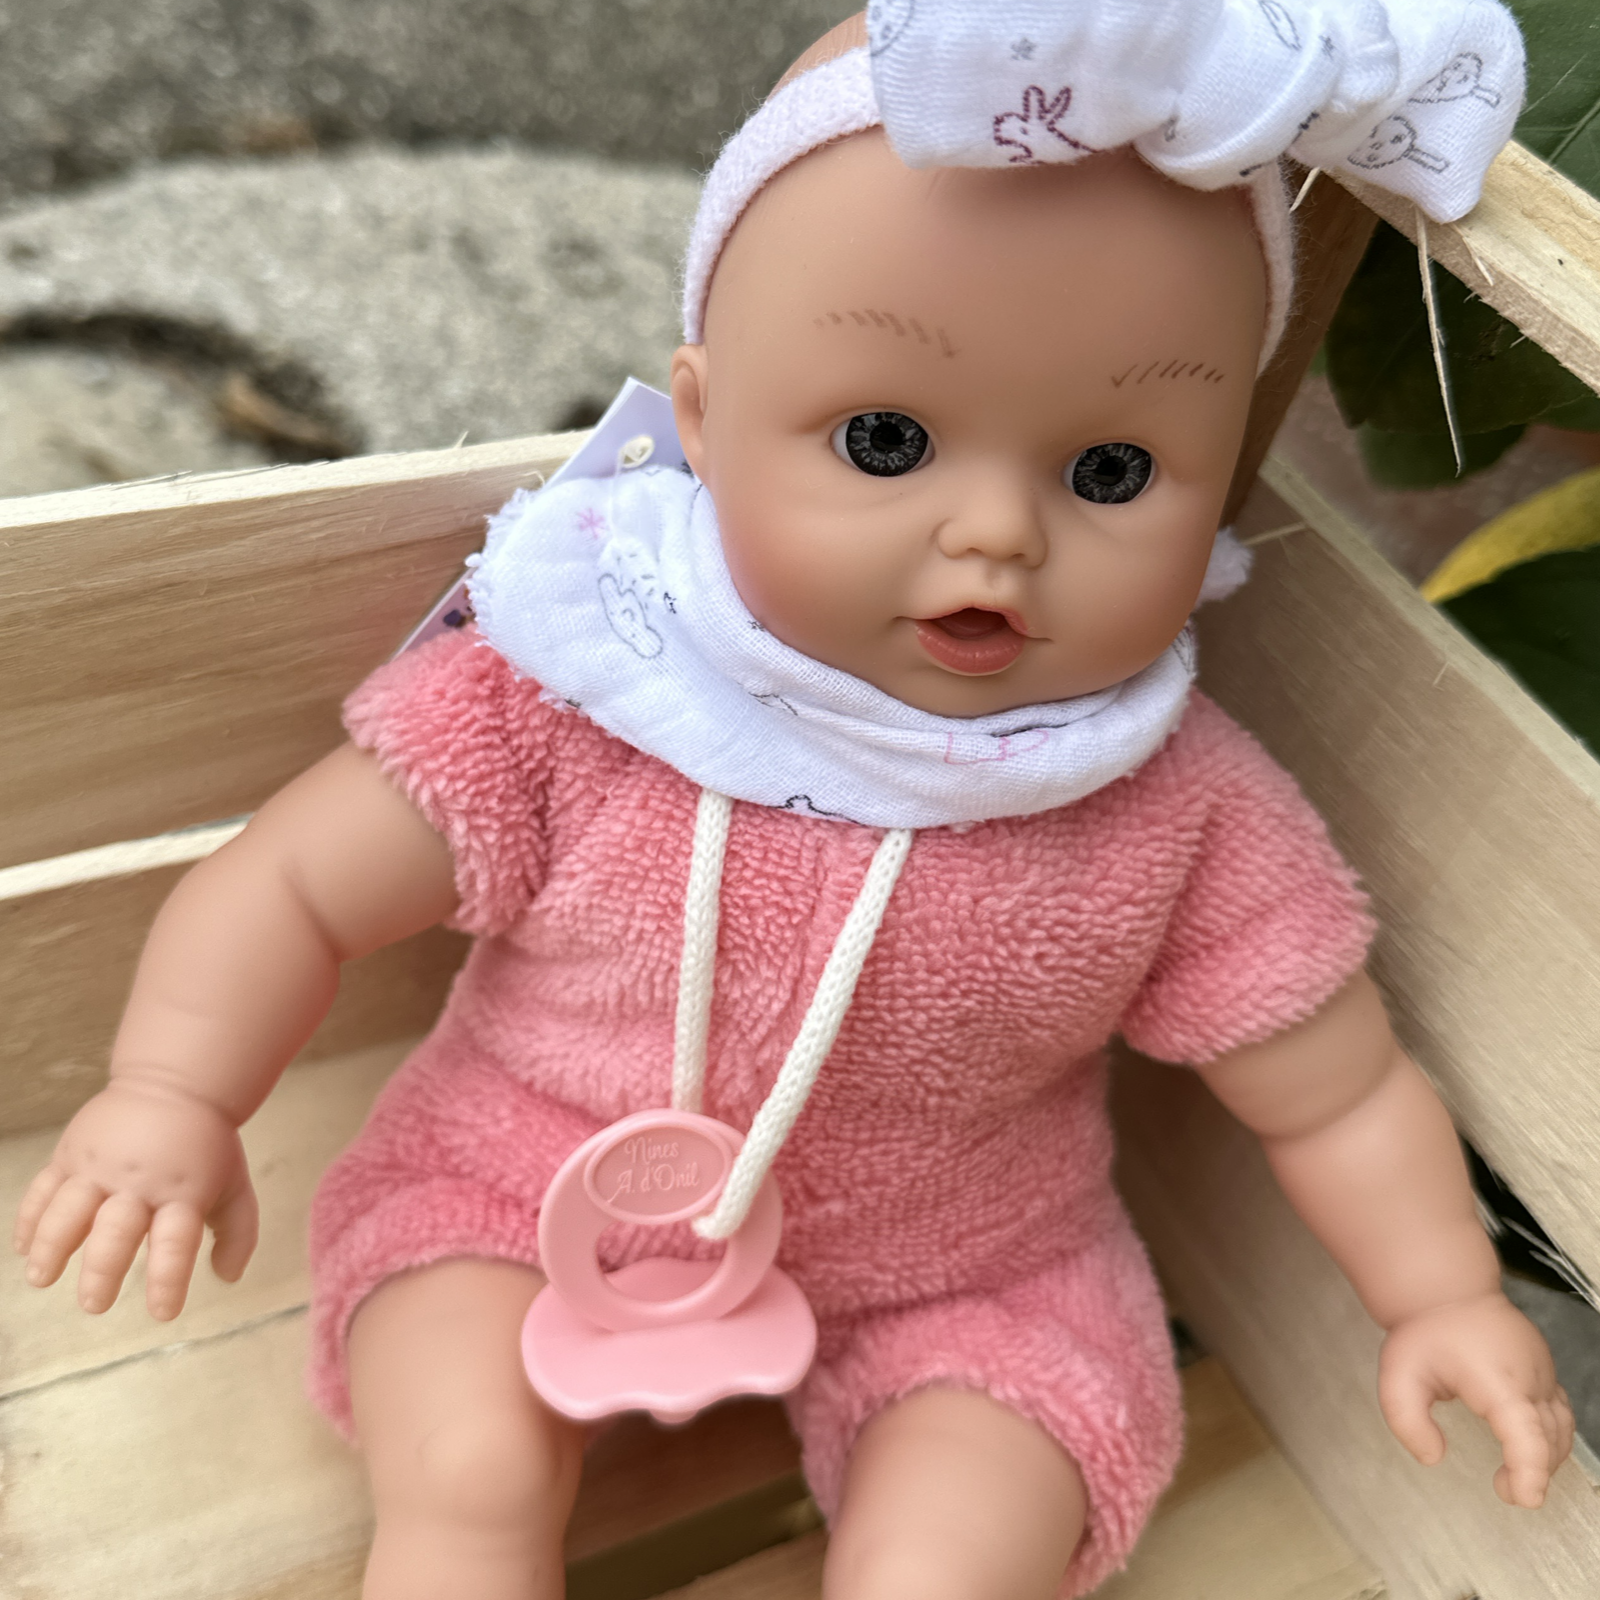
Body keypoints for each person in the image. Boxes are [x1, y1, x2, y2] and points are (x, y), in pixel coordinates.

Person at [14, 7, 1572, 1598]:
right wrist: (173, 1093)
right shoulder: (590, 684)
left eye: (1108, 470)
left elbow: (1333, 1085)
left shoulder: (1172, 810)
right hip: (526, 1174)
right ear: (699, 419)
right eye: (887, 442)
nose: (995, 533)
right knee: (467, 1466)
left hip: (967, 1254)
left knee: (961, 1546)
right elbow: (289, 885)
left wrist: (1439, 1293)